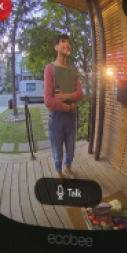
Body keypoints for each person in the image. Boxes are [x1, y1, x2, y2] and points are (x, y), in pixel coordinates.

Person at [43, 33, 83, 178]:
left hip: (71, 120)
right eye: (63, 41)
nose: (67, 44)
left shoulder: (73, 70)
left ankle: (68, 166)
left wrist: (66, 96)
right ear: (56, 47)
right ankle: (59, 170)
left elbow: (80, 94)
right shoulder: (50, 69)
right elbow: (48, 101)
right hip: (57, 118)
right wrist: (69, 107)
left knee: (71, 150)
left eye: (68, 42)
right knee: (57, 150)